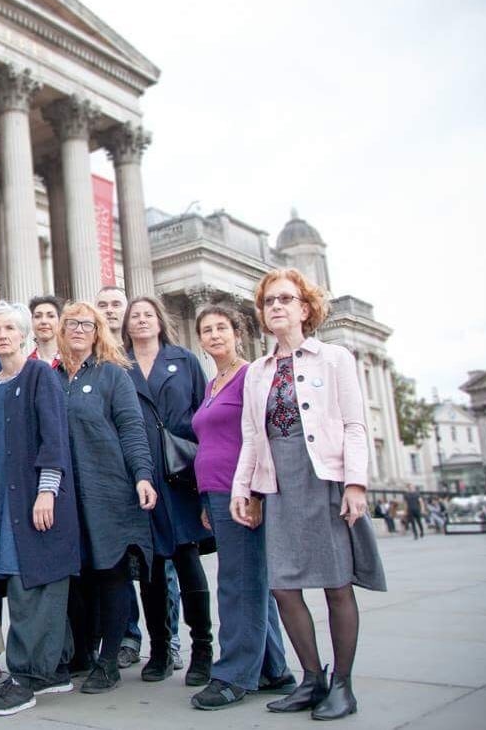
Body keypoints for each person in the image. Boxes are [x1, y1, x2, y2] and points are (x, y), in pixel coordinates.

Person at [231, 268, 387, 721]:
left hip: (324, 478)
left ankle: (343, 684)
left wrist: (355, 482)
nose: (275, 307)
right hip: (279, 481)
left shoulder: (334, 358)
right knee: (282, 587)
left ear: (304, 307)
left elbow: (355, 424)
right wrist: (244, 488)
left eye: (285, 299)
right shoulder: (257, 372)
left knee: (336, 584)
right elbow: (251, 436)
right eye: (268, 302)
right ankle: (312, 678)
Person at [188, 304, 294, 710]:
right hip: (214, 493)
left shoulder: (251, 375)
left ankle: (233, 675)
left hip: (241, 491)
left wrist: (252, 491)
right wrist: (203, 498)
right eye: (206, 330)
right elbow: (209, 442)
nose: (214, 335)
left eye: (221, 328)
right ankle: (273, 669)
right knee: (253, 581)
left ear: (237, 333)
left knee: (238, 582)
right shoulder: (214, 383)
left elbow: (260, 436)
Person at [0, 302, 77, 717]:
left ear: (23, 335)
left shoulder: (39, 376)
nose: (1, 335)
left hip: (34, 497)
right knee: (25, 579)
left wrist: (47, 491)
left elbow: (55, 436)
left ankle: (24, 679)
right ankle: (54, 670)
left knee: (29, 583)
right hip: (1, 499)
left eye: (8, 328)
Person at [55, 301, 156, 695]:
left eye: (87, 324)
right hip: (68, 494)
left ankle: (109, 660)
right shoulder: (53, 377)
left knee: (111, 572)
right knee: (79, 577)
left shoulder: (113, 374)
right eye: (71, 324)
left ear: (98, 332)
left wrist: (142, 476)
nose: (79, 330)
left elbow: (132, 428)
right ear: (61, 332)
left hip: (110, 489)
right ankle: (82, 652)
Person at [123, 296, 214, 686]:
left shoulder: (185, 360)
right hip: (140, 475)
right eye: (135, 317)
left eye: (148, 315)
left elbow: (202, 415)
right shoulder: (119, 366)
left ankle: (203, 649)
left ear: (160, 321)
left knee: (187, 559)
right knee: (151, 567)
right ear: (126, 326)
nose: (142, 321)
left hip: (181, 472)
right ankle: (160, 647)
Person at [96, 285, 169, 670]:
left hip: (162, 474)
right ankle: (125, 636)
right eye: (102, 305)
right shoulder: (101, 362)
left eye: (116, 305)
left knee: (160, 567)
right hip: (116, 478)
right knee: (120, 564)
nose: (110, 311)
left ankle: (164, 643)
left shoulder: (167, 359)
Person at [28, 295, 61, 366]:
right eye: (37, 316)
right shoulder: (25, 367)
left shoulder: (74, 362)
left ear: (60, 321)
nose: (44, 321)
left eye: (51, 316)